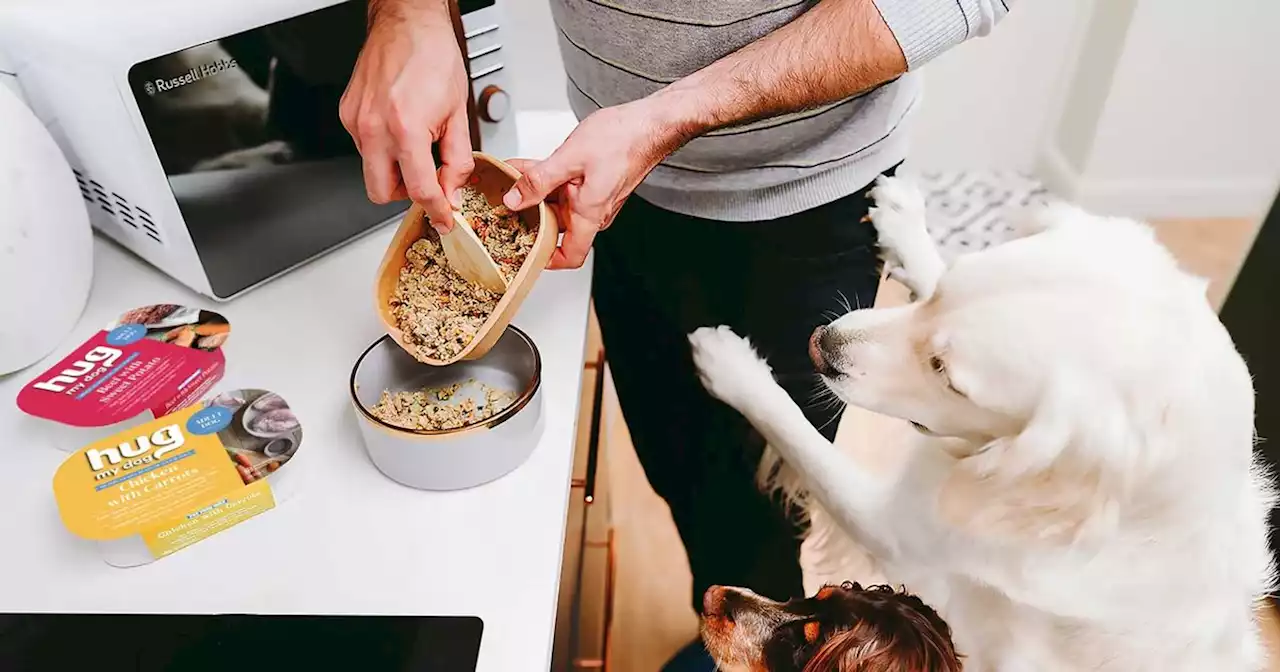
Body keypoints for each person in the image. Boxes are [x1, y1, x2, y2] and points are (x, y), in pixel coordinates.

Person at [340, 1, 1017, 669]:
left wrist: (669, 115)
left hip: (811, 196)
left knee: (755, 507)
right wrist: (411, 13)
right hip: (620, 190)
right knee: (675, 461)